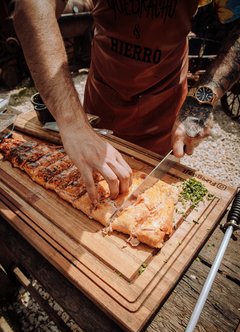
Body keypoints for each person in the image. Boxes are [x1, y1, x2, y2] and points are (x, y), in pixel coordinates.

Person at [13, 0, 240, 204]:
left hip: (164, 103)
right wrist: (72, 122)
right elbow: (33, 4)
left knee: (148, 198)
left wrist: (203, 97)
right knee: (95, 192)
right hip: (104, 95)